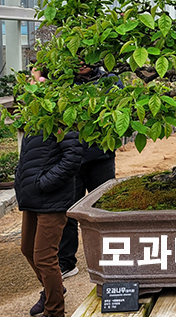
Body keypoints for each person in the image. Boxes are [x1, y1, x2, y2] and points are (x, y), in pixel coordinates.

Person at [58, 64, 120, 278]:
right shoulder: (62, 84)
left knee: (104, 209)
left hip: (100, 157)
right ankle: (66, 262)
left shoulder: (110, 80)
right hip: (69, 159)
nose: (82, 63)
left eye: (86, 57)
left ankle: (111, 258)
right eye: (77, 58)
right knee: (67, 211)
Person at [15, 130, 83, 317]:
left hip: (53, 199)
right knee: (27, 249)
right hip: (32, 197)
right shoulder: (33, 121)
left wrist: (44, 183)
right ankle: (53, 289)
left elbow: (73, 157)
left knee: (44, 257)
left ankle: (54, 310)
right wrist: (21, 181)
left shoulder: (59, 120)